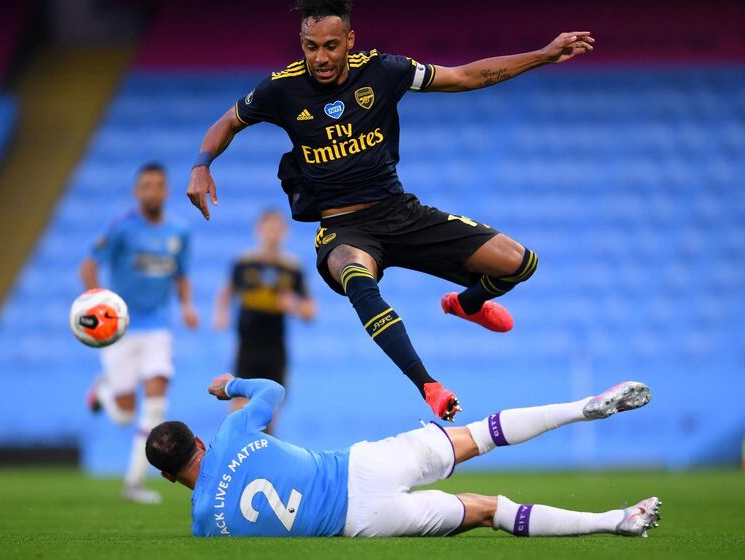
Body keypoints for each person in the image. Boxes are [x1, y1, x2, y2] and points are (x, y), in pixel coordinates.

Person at [185, 0, 596, 421]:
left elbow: (464, 76)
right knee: (357, 277)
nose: (321, 58)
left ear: (350, 40)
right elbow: (228, 122)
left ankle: (468, 304)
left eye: (330, 45)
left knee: (520, 263)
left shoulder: (385, 71)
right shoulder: (280, 88)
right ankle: (428, 385)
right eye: (310, 47)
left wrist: (543, 55)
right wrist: (201, 165)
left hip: (400, 212)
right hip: (342, 229)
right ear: (302, 44)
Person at [146, 375, 659, 538]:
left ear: (169, 478)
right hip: (360, 467)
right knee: (479, 435)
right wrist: (229, 385)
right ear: (201, 443)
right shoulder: (233, 429)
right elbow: (273, 390)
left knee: (488, 510)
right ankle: (580, 408)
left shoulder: (204, 526)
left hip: (363, 521)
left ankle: (615, 522)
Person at [80, 162, 199, 504]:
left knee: (156, 402)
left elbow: (182, 273)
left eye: (157, 185)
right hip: (121, 327)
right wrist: (97, 302)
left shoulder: (180, 231)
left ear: (166, 190)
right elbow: (89, 264)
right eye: (145, 186)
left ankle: (134, 482)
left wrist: (187, 306)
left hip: (158, 327)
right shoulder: (121, 228)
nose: (152, 191)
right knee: (122, 414)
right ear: (137, 191)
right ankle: (103, 393)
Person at [213, 209, 316, 433]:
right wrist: (221, 314)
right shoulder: (244, 264)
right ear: (258, 231)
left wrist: (295, 307)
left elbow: (311, 310)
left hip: (275, 349)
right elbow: (227, 292)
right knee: (238, 410)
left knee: (269, 416)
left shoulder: (291, 268)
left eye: (277, 229)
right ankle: (231, 459)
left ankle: (262, 465)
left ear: (285, 233)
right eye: (268, 228)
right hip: (248, 346)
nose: (272, 234)